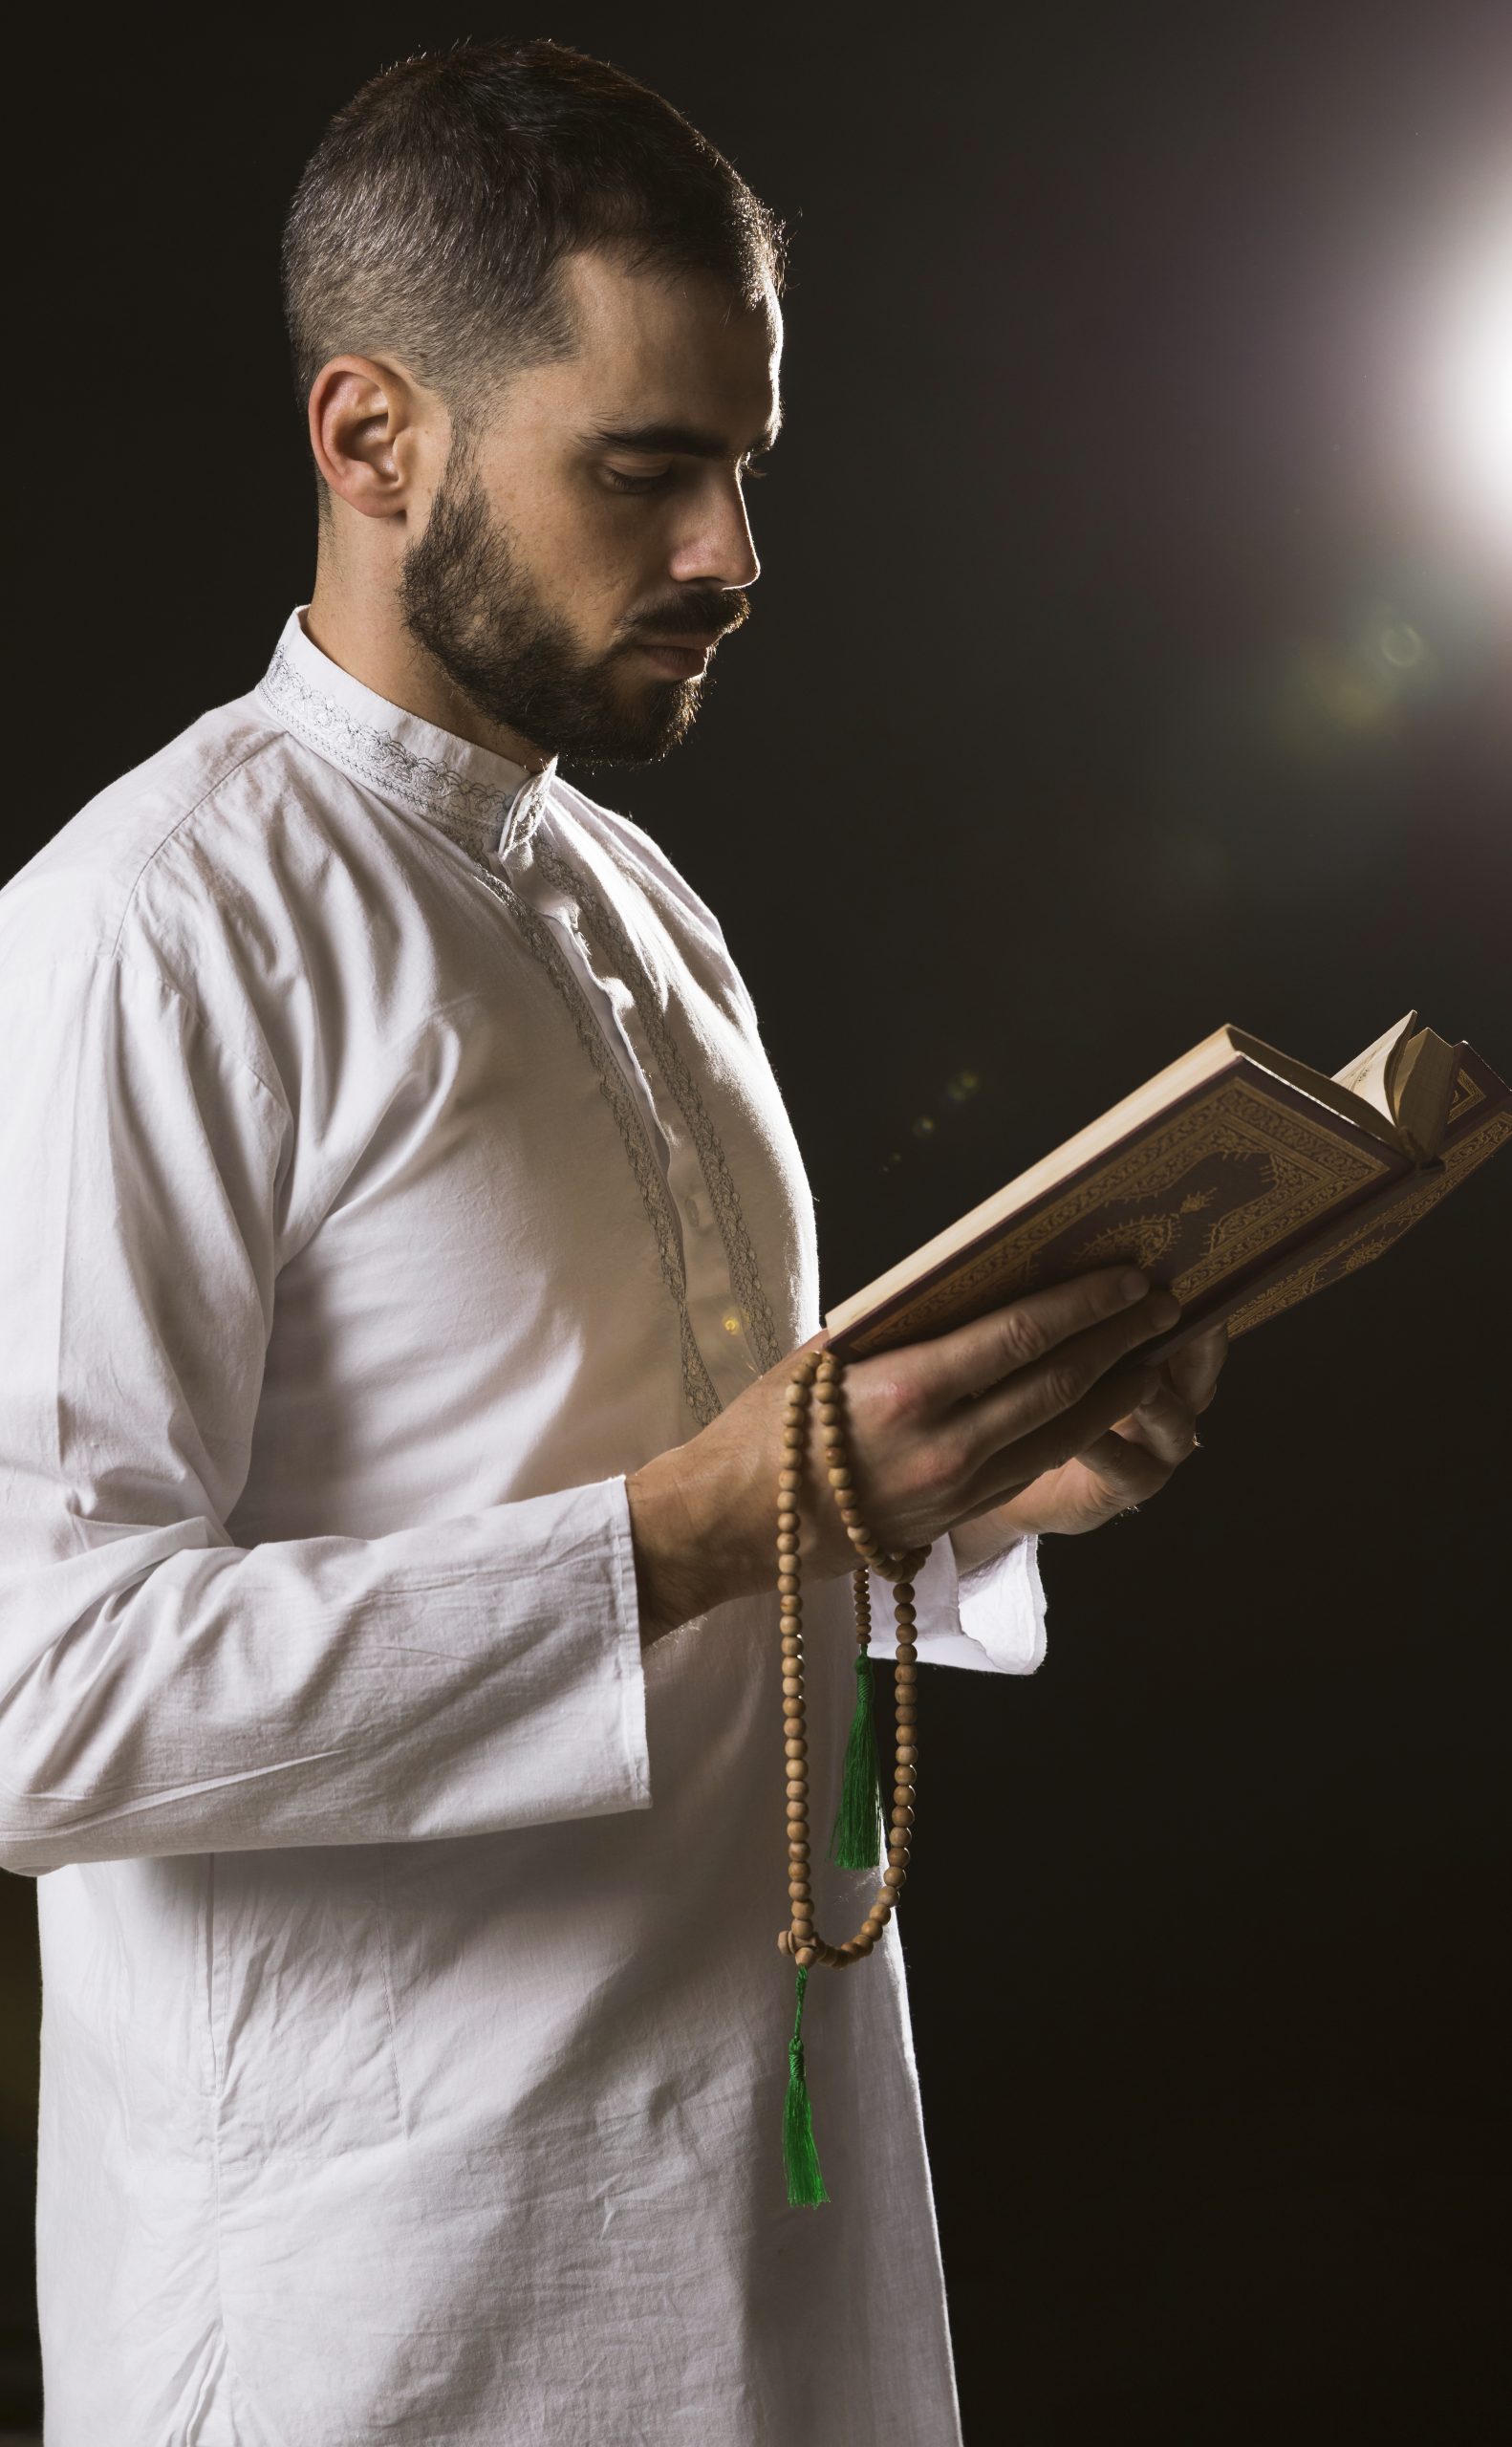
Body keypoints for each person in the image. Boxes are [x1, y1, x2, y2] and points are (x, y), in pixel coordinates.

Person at [0, 38, 1226, 2445]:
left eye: (742, 465)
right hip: (374, 2327)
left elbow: (712, 1504)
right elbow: (37, 1692)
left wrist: (979, 1475)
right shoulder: (145, 932)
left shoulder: (639, 900)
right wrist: (691, 1522)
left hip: (750, 2253)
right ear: (374, 439)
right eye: (645, 468)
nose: (729, 552)